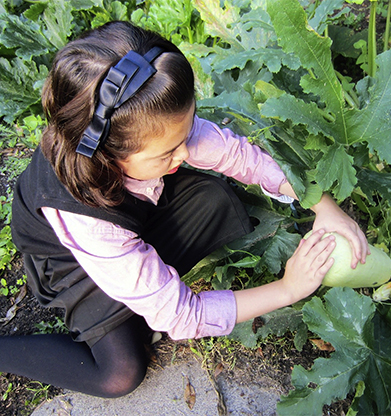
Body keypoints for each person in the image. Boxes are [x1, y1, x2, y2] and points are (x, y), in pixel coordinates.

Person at [3, 21, 368, 398]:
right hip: (72, 264)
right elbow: (182, 316)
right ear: (110, 153)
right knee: (120, 374)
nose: (187, 152)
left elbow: (240, 156)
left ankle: (140, 289)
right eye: (168, 152)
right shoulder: (88, 221)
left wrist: (323, 206)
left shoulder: (145, 118)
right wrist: (288, 289)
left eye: (188, 129)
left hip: (131, 214)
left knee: (216, 198)